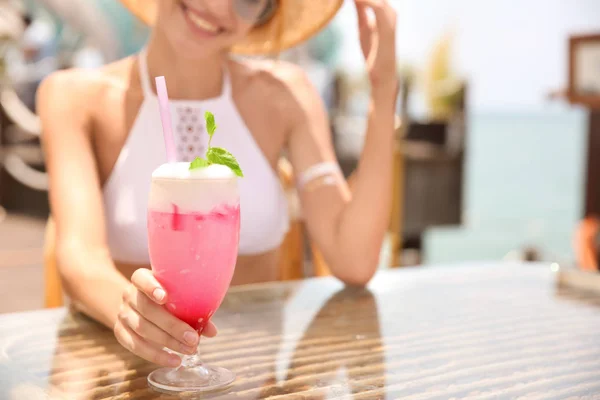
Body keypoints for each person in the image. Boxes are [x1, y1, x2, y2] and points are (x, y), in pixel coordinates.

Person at [37, 0, 397, 368]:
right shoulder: (74, 97)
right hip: (134, 372)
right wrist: (128, 309)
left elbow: (353, 259)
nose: (217, 5)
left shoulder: (286, 95)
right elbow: (79, 257)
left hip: (252, 378)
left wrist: (384, 94)